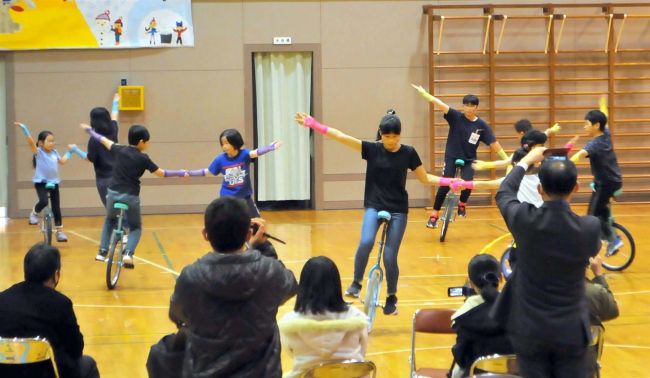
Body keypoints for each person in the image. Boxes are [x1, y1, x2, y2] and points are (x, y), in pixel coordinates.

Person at [295, 109, 453, 316]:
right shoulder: (372, 149)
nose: (391, 141)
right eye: (387, 136)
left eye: (395, 136)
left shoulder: (408, 153)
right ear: (380, 133)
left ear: (400, 135)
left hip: (398, 209)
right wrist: (314, 125)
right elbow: (342, 137)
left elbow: (425, 178)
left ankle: (392, 296)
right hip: (375, 204)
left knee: (389, 256)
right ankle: (356, 282)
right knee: (366, 241)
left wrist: (449, 181)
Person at [491, 146, 602, 378]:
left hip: (529, 330)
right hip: (571, 331)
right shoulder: (589, 228)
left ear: (540, 189)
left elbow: (504, 193)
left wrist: (524, 162)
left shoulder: (524, 220)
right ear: (576, 188)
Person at [166, 196, 298, 378]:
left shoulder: (190, 276)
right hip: (262, 374)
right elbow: (289, 286)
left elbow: (177, 315)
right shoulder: (269, 270)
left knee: (162, 351)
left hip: (205, 371)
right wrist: (262, 247)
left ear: (206, 234)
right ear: (247, 234)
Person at [80, 123, 199, 268]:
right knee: (135, 227)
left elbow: (102, 139)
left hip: (112, 194)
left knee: (110, 220)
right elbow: (161, 173)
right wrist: (179, 173)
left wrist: (90, 130)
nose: (147, 144)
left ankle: (102, 251)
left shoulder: (119, 149)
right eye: (147, 141)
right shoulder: (143, 159)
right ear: (141, 142)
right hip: (130, 197)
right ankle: (128, 253)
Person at [411, 84, 508, 227]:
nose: (468, 108)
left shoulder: (482, 126)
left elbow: (494, 144)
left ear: (476, 107)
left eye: (471, 106)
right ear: (463, 106)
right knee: (444, 184)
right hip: (451, 156)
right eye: (466, 105)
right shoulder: (456, 117)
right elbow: (441, 105)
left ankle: (462, 203)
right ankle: (434, 215)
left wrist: (507, 159)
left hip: (469, 159)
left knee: (467, 182)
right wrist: (425, 94)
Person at [0, 243, 99, 378]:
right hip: (48, 373)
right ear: (56, 275)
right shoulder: (60, 303)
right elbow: (76, 349)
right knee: (88, 363)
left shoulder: (3, 299)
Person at [279, 256, 368, 378]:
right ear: (336, 285)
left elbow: (290, 353)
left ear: (303, 286)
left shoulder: (289, 323)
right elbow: (362, 352)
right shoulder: (357, 318)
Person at [449, 254, 513, 378]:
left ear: (471, 283)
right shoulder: (518, 310)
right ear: (500, 278)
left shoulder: (463, 318)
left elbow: (461, 359)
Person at [570, 109, 623, 255]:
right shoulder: (605, 134)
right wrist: (604, 108)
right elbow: (605, 123)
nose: (584, 127)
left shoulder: (594, 144)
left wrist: (567, 163)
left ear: (596, 125)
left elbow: (581, 154)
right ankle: (607, 231)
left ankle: (613, 240)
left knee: (592, 217)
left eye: (586, 124)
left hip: (605, 184)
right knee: (600, 209)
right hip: (615, 181)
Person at [16, 122, 77, 242]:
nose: (52, 143)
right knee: (43, 201)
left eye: (53, 141)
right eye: (49, 141)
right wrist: (25, 130)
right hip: (41, 182)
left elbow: (63, 161)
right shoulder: (38, 152)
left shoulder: (54, 153)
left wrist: (71, 152)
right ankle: (34, 213)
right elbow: (30, 142)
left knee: (56, 207)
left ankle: (59, 232)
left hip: (54, 182)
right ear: (41, 143)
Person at [204, 129, 282, 218]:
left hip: (245, 198)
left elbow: (256, 152)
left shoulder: (244, 154)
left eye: (227, 143)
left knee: (256, 221)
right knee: (229, 224)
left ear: (235, 142)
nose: (224, 146)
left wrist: (269, 148)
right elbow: (208, 172)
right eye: (222, 144)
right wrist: (188, 173)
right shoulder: (219, 160)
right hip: (227, 200)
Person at [585, 255, 619, 378]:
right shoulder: (593, 293)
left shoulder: (538, 290)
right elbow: (612, 311)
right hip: (582, 362)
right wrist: (599, 275)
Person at [85, 93, 120, 207]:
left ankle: (119, 224)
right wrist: (115, 101)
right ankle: (126, 224)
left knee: (111, 210)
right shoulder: (113, 130)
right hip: (120, 175)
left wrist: (75, 150)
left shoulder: (93, 140)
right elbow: (115, 115)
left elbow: (91, 158)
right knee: (121, 207)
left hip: (104, 179)